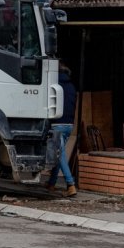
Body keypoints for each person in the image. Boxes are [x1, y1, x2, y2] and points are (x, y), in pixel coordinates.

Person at [47, 64, 78, 197]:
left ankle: (71, 184)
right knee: (60, 154)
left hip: (57, 124)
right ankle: (52, 183)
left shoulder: (54, 86)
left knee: (60, 154)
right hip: (69, 125)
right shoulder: (72, 87)